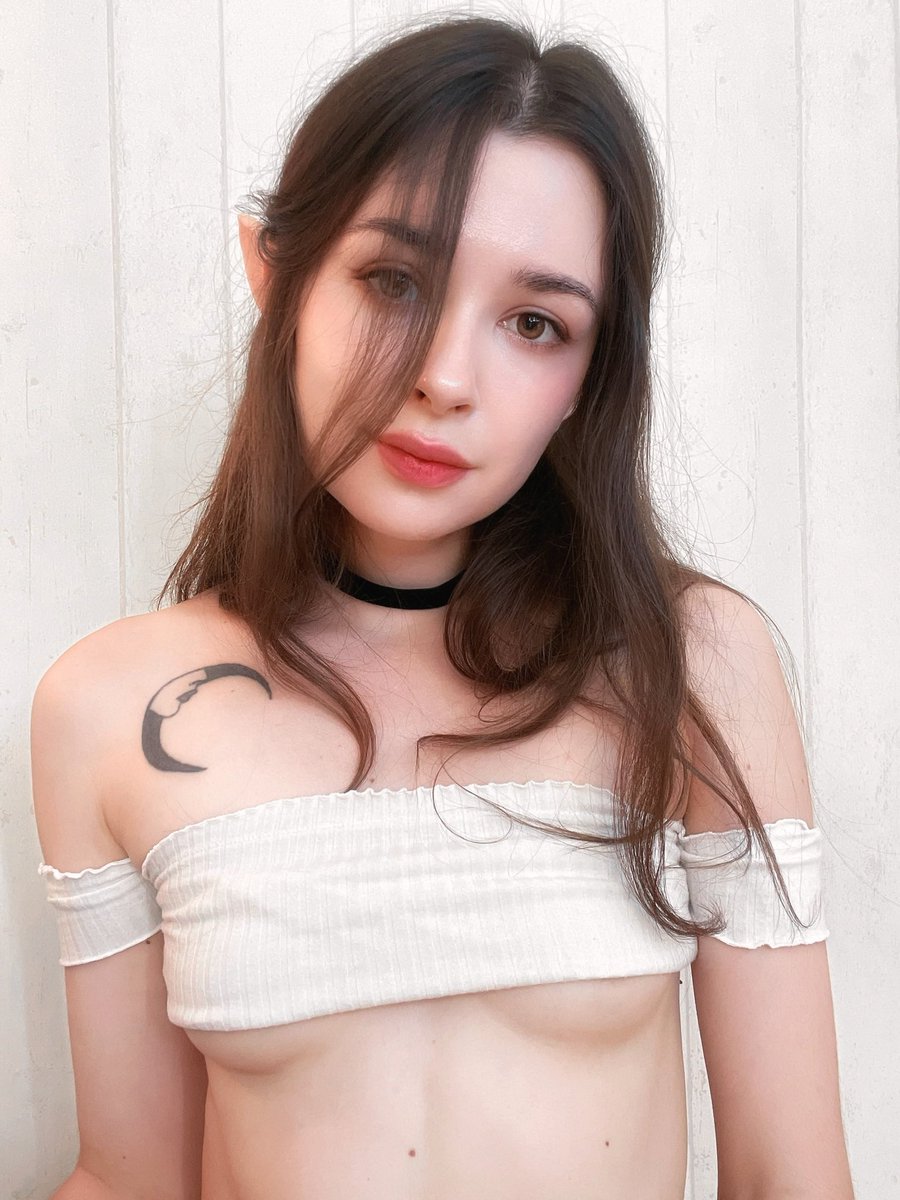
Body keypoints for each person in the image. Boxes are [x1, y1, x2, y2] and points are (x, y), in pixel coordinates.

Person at [31, 14, 854, 1200]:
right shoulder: (108, 708)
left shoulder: (691, 664)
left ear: (588, 377)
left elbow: (790, 1177)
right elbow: (129, 1179)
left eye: (535, 323)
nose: (446, 379)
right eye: (393, 280)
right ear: (275, 274)